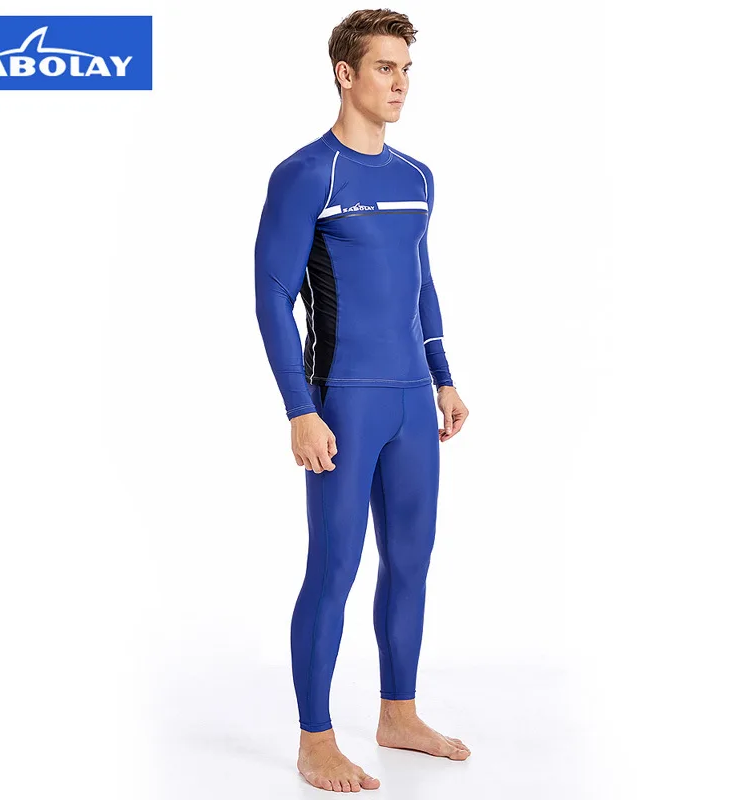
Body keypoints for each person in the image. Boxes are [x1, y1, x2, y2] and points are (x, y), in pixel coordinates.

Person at [254, 9, 471, 792]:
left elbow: (421, 281)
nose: (400, 83)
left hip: (412, 400)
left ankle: (398, 715)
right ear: (345, 74)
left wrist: (442, 375)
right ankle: (316, 739)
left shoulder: (416, 177)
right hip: (343, 400)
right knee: (335, 565)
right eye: (385, 67)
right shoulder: (308, 173)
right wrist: (299, 408)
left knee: (411, 562)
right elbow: (272, 295)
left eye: (406, 69)